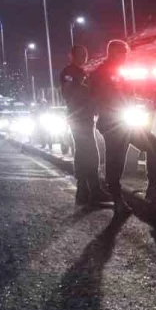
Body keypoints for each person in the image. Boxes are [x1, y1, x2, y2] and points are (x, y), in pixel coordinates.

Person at [89, 39, 156, 215]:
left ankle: (153, 188)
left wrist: (144, 102)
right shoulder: (100, 73)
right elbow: (97, 97)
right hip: (112, 124)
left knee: (155, 148)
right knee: (116, 161)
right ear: (112, 52)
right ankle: (118, 199)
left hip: (127, 122)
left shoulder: (119, 73)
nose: (125, 58)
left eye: (126, 54)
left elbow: (126, 96)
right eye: (122, 54)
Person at [59, 45, 112, 206]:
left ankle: (84, 191)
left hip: (84, 116)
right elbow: (69, 92)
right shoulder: (70, 72)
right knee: (90, 153)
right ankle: (92, 190)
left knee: (83, 153)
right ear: (72, 55)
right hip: (78, 117)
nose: (84, 57)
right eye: (81, 54)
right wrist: (90, 92)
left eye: (86, 53)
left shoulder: (81, 72)